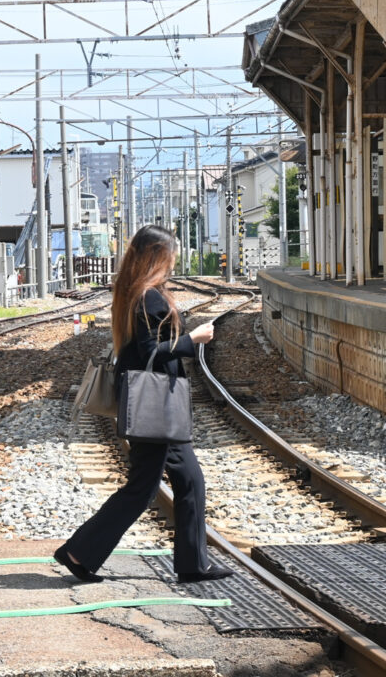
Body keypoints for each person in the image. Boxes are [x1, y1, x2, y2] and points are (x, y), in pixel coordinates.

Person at [54, 225, 227, 586]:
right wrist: (193, 339)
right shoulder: (149, 297)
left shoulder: (135, 292)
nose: (174, 260)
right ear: (156, 257)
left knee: (189, 479)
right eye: (171, 254)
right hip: (155, 405)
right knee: (142, 489)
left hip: (158, 405)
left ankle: (193, 565)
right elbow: (151, 353)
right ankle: (78, 552)